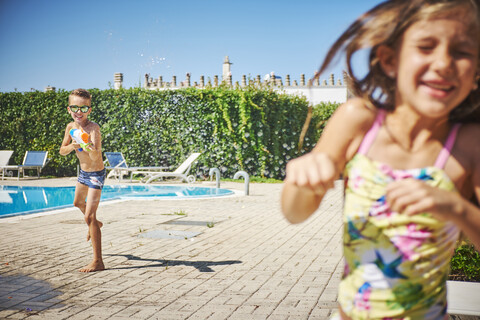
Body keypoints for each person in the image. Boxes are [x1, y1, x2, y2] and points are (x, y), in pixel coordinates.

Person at [281, 1, 480, 319]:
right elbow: (294, 213)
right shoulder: (357, 120)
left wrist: (455, 208)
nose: (443, 62)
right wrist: (303, 181)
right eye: (426, 46)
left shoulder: (470, 144)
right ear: (390, 60)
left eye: (462, 52)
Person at [60, 88, 106, 272]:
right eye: (75, 108)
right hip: (83, 174)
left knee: (89, 216)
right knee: (77, 202)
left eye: (84, 108)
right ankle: (96, 224)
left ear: (90, 110)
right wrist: (72, 145)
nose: (79, 112)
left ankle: (98, 261)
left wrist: (87, 146)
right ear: (69, 109)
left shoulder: (93, 128)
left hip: (96, 174)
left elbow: (95, 157)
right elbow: (62, 151)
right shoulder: (70, 128)